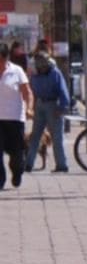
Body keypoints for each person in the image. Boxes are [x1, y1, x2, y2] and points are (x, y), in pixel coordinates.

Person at [24, 51, 71, 173]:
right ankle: (28, 164)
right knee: (35, 136)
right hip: (39, 104)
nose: (42, 68)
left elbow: (63, 91)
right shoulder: (34, 72)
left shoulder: (55, 73)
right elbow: (31, 89)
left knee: (56, 137)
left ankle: (61, 165)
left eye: (44, 65)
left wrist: (62, 108)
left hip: (53, 104)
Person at [0, 43, 34, 189]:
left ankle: (17, 172)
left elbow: (27, 92)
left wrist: (30, 108)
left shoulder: (17, 71)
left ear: (6, 58)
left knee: (16, 155)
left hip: (15, 119)